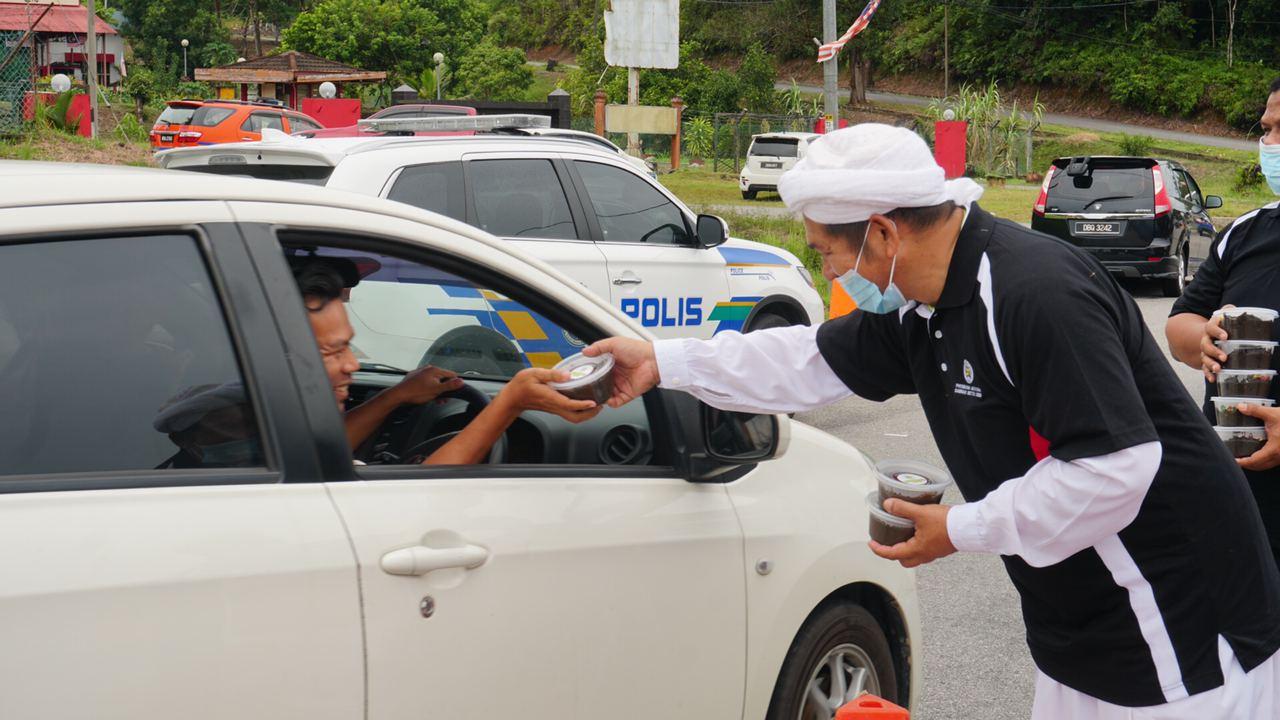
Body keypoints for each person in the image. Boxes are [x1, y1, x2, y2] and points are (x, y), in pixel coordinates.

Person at [586, 124, 1280, 719]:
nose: (826, 268)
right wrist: (660, 361)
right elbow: (807, 361)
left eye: (827, 251)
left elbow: (1114, 470)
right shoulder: (919, 305)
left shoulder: (1035, 293)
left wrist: (958, 529)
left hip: (1183, 629)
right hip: (1080, 633)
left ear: (883, 233)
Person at [291, 256, 601, 464]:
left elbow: (321, 450)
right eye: (331, 352)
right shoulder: (249, 459)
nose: (352, 365)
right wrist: (509, 402)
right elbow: (413, 500)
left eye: (349, 347)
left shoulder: (274, 439)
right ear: (280, 356)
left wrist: (397, 395)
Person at [1166, 77, 1280, 568]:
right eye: (1267, 128)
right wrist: (1203, 340)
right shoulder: (1247, 232)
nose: (1268, 143)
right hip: (1240, 490)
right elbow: (1180, 323)